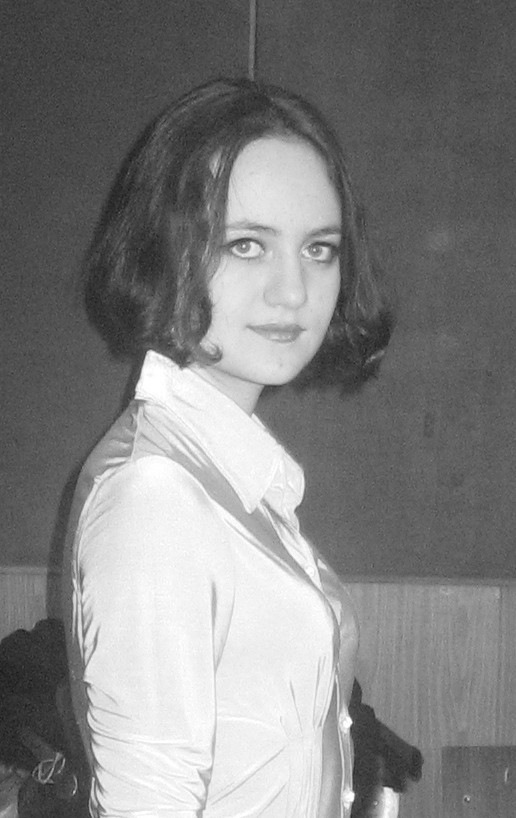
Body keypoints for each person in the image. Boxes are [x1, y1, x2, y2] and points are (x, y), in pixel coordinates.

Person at [63, 77, 393, 818]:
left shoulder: (227, 467)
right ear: (165, 252)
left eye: (319, 249)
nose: (293, 291)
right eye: (246, 245)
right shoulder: (156, 494)